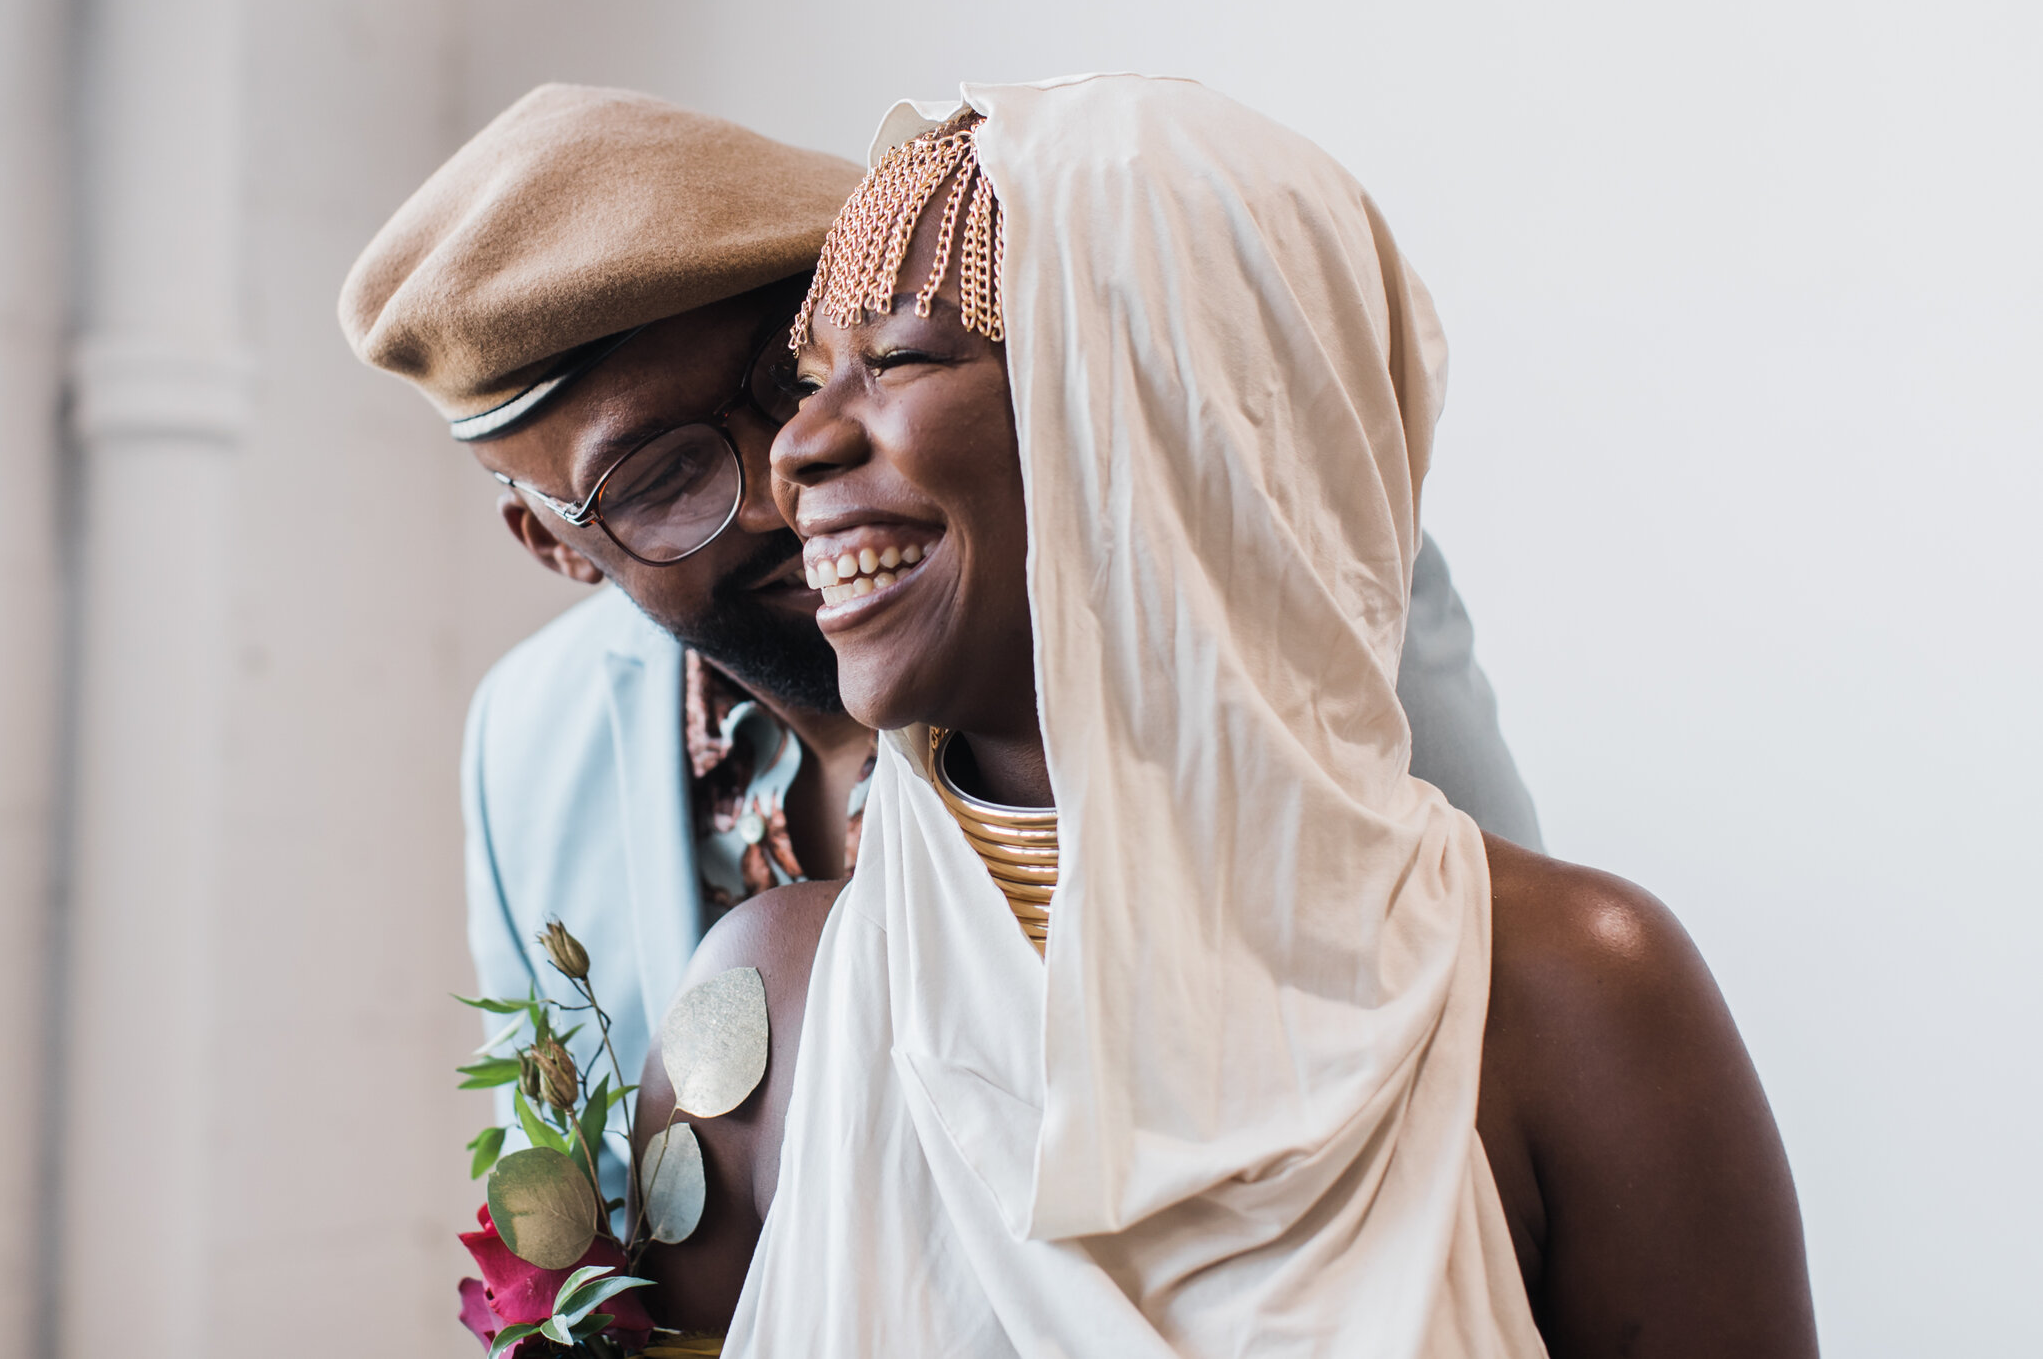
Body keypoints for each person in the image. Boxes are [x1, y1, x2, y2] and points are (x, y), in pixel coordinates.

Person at [636, 76, 1815, 1355]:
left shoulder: (1568, 997)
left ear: (1166, 412)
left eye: (902, 357)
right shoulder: (769, 1008)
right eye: (813, 377)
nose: (795, 451)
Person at [337, 82, 1544, 1118]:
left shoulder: (1246, 578)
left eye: (799, 373)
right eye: (664, 479)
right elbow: (596, 1223)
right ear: (553, 544)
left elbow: (1491, 1010)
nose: (787, 472)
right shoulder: (525, 747)